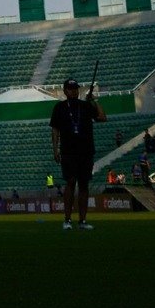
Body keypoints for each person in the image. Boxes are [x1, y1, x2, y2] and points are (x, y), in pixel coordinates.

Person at [50, 77, 107, 230]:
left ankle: (82, 221)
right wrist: (55, 149)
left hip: (86, 151)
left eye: (75, 89)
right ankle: (67, 220)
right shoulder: (59, 107)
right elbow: (55, 129)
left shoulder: (86, 105)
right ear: (65, 91)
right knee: (70, 182)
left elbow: (102, 117)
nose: (73, 91)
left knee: (84, 184)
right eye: (70, 88)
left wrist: (94, 101)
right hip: (68, 151)